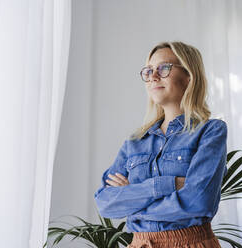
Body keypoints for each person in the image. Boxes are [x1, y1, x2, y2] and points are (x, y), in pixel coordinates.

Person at [94, 41, 227, 248]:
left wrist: (133, 202)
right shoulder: (135, 142)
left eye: (164, 68)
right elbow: (106, 203)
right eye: (148, 71)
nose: (153, 76)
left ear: (189, 76)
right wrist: (170, 184)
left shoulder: (210, 131)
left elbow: (198, 201)